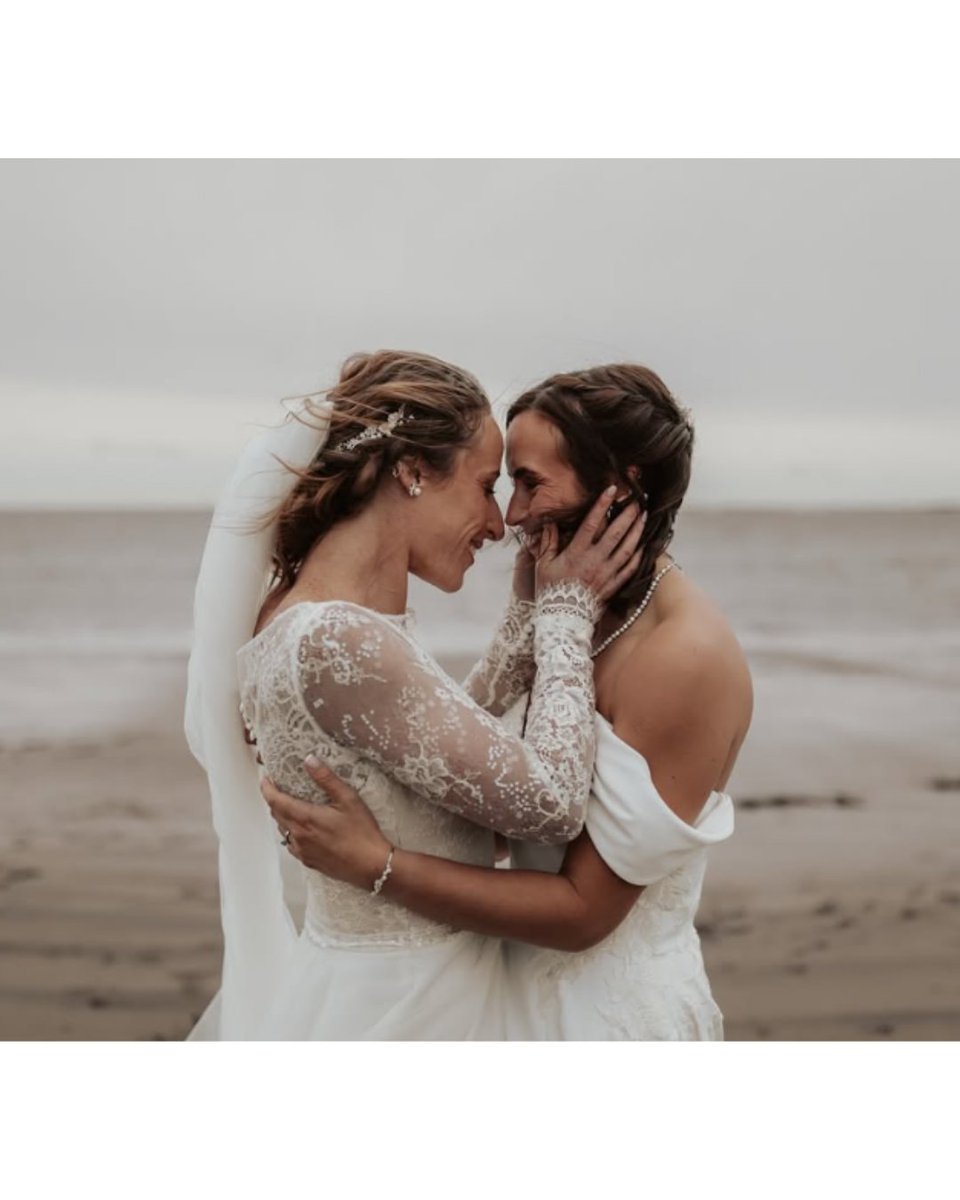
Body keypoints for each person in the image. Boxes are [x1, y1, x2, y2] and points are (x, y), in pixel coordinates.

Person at [262, 363, 753, 1039]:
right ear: (408, 472)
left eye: (527, 483)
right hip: (489, 996)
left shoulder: (682, 655)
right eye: (498, 485)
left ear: (624, 485)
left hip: (603, 1019)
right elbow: (456, 768)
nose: (512, 517)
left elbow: (584, 910)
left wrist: (381, 866)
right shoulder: (568, 615)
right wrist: (547, 616)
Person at [185, 349, 643, 1039]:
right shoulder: (338, 640)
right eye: (486, 484)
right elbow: (549, 802)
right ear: (412, 470)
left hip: (366, 982)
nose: (497, 525)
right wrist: (568, 612)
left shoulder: (302, 614)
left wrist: (525, 617)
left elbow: (435, 747)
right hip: (414, 1005)